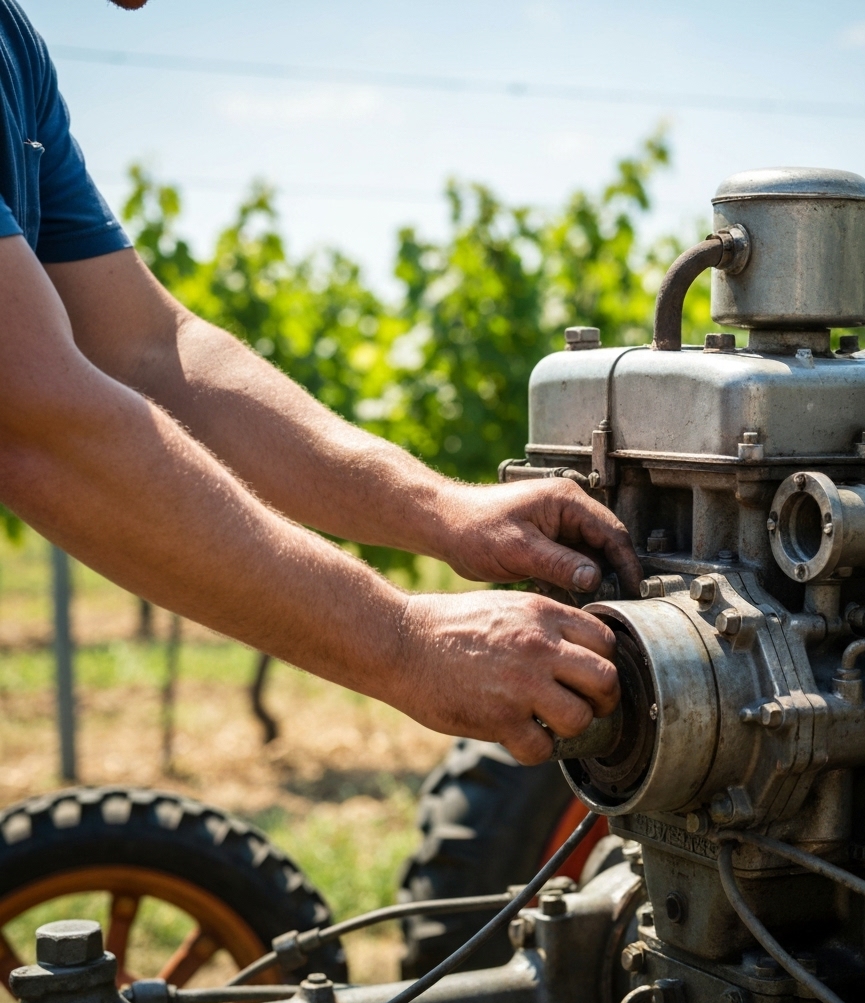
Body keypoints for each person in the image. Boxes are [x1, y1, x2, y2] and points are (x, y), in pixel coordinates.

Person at [0, 0, 642, 765]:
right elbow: (35, 417)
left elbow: (152, 351)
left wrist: (439, 509)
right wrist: (407, 641)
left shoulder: (15, 52)